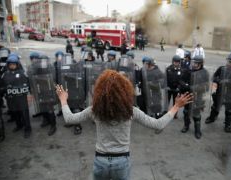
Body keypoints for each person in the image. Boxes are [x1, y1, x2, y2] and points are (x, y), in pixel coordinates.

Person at [55, 70, 193, 180]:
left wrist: (63, 99)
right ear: (125, 91)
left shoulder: (94, 110)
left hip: (101, 160)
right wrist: (175, 106)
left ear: (100, 90)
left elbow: (69, 118)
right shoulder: (131, 111)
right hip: (121, 162)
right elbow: (158, 124)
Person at [205, 53, 231, 133]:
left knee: (230, 110)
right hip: (220, 92)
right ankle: (212, 118)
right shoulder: (222, 69)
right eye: (228, 61)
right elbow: (214, 76)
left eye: (229, 62)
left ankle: (228, 125)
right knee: (215, 106)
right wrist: (218, 81)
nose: (228, 63)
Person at [1, 54, 31, 138]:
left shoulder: (23, 73)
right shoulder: (5, 74)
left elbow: (29, 84)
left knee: (24, 114)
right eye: (10, 64)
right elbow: (2, 85)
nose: (12, 66)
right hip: (12, 99)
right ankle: (19, 125)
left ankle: (27, 129)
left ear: (17, 64)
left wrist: (30, 94)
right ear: (8, 65)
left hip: (22, 98)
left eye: (14, 64)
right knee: (16, 112)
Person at [180, 55, 209, 139]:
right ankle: (186, 126)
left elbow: (206, 86)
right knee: (186, 112)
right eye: (193, 62)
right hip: (188, 95)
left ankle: (197, 130)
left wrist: (195, 88)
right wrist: (185, 85)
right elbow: (181, 80)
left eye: (196, 63)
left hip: (198, 96)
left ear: (200, 64)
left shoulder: (204, 73)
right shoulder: (188, 71)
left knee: (196, 114)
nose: (193, 64)